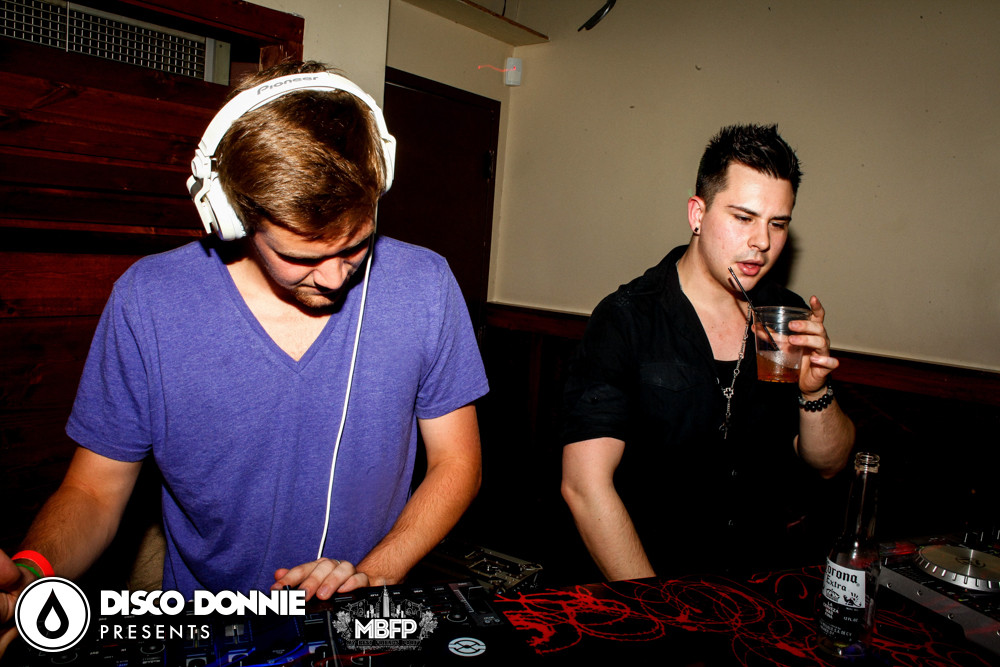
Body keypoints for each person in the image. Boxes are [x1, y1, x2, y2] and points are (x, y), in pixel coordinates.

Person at [0, 61, 487, 654]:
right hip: (204, 629)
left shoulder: (425, 285)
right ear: (232, 215)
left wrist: (373, 577)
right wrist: (32, 574)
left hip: (364, 627)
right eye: (302, 257)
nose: (335, 278)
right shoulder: (149, 300)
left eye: (355, 246)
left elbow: (456, 463)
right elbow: (95, 491)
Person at [560, 124, 855, 581]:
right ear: (697, 214)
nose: (762, 241)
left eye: (777, 224)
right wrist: (656, 606)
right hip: (650, 582)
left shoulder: (788, 315)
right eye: (744, 218)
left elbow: (830, 464)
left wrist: (814, 391)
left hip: (760, 583)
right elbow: (584, 486)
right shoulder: (627, 319)